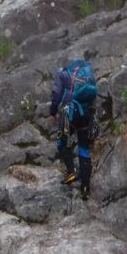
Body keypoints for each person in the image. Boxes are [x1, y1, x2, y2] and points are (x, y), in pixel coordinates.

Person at [49, 58, 97, 201]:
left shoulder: (63, 73)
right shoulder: (88, 75)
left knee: (61, 141)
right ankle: (85, 188)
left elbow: (56, 93)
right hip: (86, 115)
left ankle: (71, 171)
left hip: (69, 114)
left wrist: (52, 112)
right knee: (84, 148)